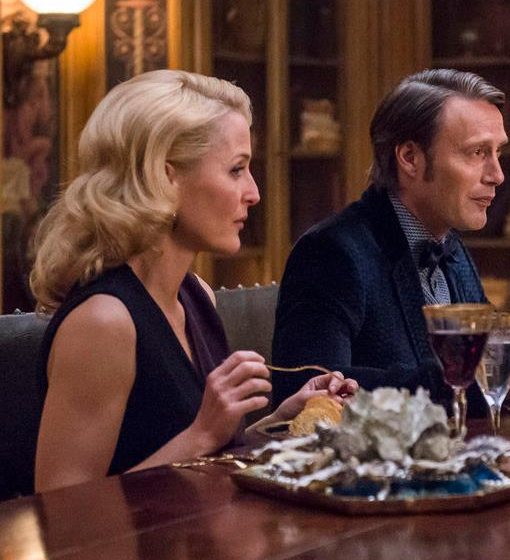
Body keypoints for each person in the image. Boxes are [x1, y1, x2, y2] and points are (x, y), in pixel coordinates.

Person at [30, 70, 356, 492]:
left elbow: (198, 456)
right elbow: (61, 505)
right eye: (236, 169)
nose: (254, 192)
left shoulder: (196, 294)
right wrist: (203, 433)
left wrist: (281, 421)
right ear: (166, 178)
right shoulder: (104, 322)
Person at [271, 69, 510, 415]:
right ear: (410, 158)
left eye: (498, 152)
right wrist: (480, 380)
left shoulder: (449, 246)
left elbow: (500, 354)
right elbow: (309, 390)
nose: (498, 175)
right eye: (477, 152)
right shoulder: (331, 253)